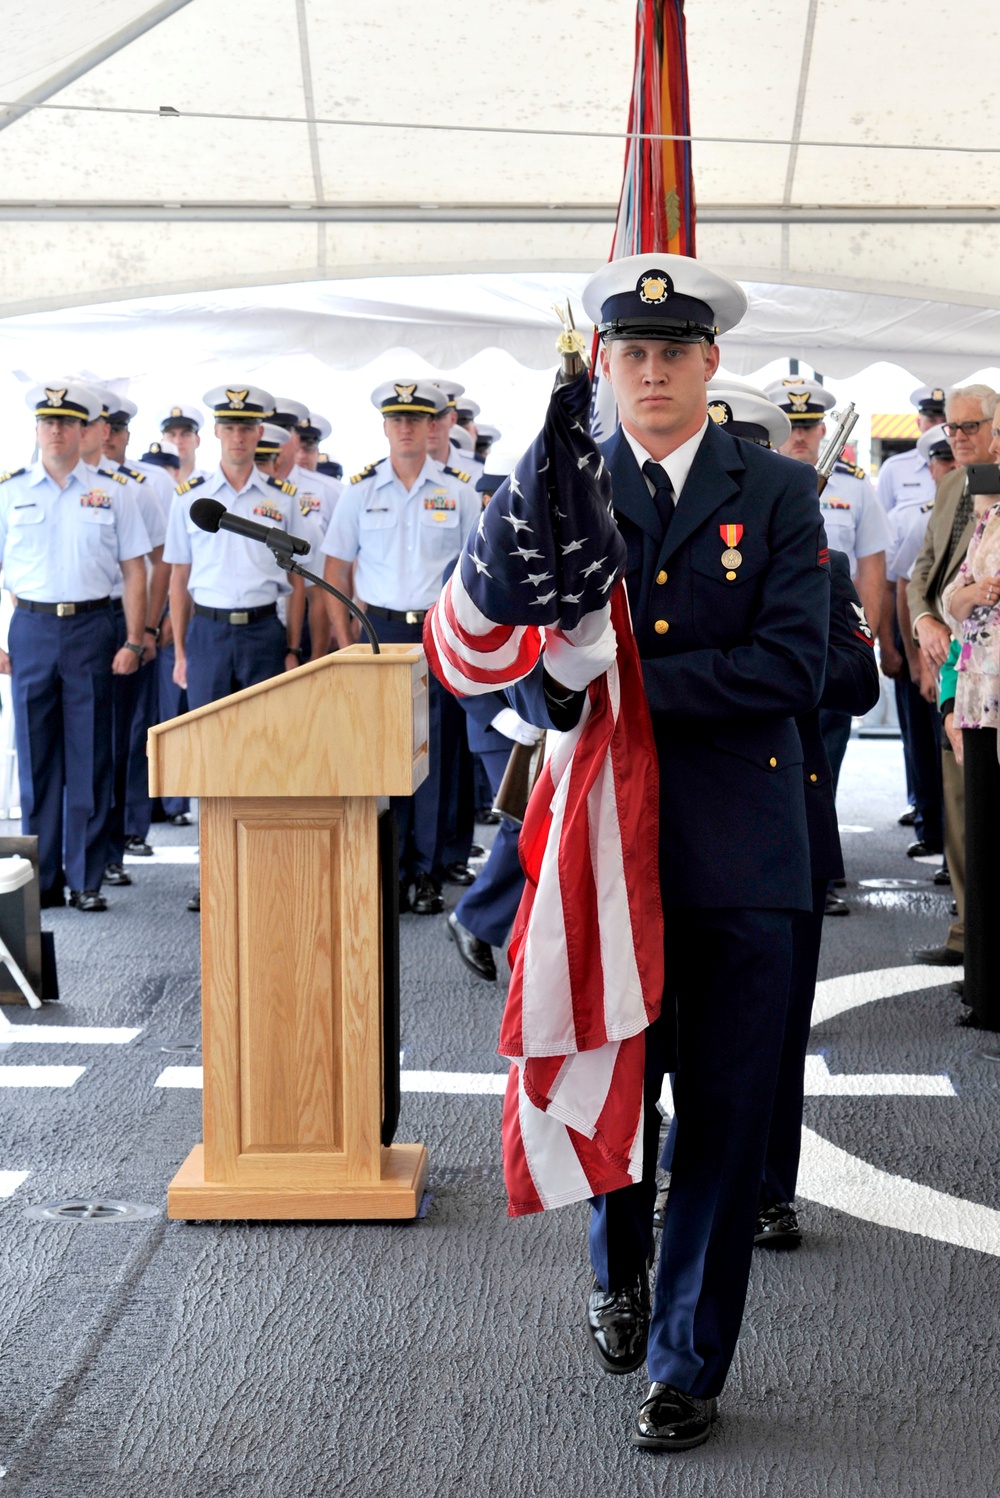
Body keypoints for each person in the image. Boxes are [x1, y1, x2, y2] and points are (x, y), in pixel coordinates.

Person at [502, 255, 829, 1451]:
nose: (651, 370)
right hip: (603, 849)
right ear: (603, 365)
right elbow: (536, 667)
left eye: (672, 352)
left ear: (710, 363)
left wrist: (625, 687)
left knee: (728, 1113)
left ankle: (688, 1361)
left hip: (743, 851)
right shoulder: (559, 483)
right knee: (616, 1078)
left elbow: (794, 671)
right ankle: (616, 1268)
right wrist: (557, 679)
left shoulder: (778, 492)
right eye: (630, 352)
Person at [321, 379, 480, 914]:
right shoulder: (360, 491)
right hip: (379, 634)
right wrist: (345, 641)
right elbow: (336, 568)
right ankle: (386, 867)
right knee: (384, 753)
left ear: (434, 425)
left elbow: (477, 574)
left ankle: (427, 871)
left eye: (417, 418)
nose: (407, 428)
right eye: (397, 419)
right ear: (386, 428)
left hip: (438, 631)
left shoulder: (458, 490)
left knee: (431, 753)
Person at [0, 382, 150, 910]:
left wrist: (135, 638)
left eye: (67, 422)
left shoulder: (113, 490)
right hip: (32, 629)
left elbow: (136, 570)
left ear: (86, 430)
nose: (57, 430)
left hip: (92, 629)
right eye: (48, 422)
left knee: (90, 758)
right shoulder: (10, 490)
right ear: (37, 429)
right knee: (37, 762)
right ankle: (39, 883)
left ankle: (86, 880)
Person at [164, 385, 307, 912]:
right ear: (217, 434)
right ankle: (214, 868)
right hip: (207, 634)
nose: (240, 437)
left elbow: (299, 584)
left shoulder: (283, 500)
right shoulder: (190, 497)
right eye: (231, 427)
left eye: (249, 428)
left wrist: (293, 647)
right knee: (210, 756)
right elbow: (179, 579)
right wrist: (180, 652)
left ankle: (263, 864)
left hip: (263, 634)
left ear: (258, 434)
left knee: (266, 751)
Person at [766, 377, 890, 798]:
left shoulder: (855, 485)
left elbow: (870, 569)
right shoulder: (758, 482)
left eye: (809, 425)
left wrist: (861, 642)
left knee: (823, 772)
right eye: (791, 425)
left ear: (822, 429)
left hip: (828, 645)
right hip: (772, 642)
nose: (799, 435)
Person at [942, 481, 1000, 1029]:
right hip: (981, 700)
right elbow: (951, 599)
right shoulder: (991, 516)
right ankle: (986, 993)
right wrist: (974, 593)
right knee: (985, 845)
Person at [876, 385, 947, 515]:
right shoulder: (894, 468)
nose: (938, 427)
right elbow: (881, 522)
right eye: (931, 420)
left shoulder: (964, 466)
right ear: (918, 423)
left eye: (945, 421)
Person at [159, 405, 206, 484]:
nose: (178, 441)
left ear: (197, 440)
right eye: (171, 435)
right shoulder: (150, 484)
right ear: (162, 442)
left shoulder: (210, 485)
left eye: (185, 434)